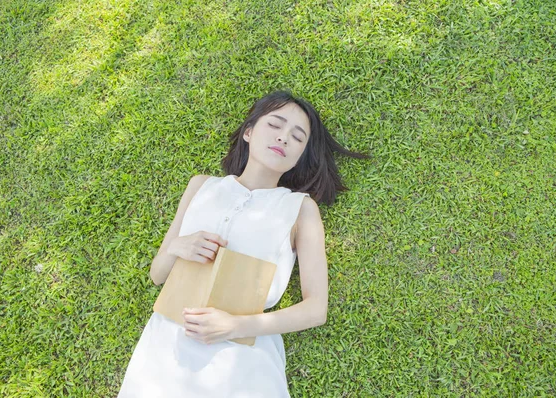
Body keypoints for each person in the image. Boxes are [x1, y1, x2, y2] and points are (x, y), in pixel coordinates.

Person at [117, 90, 370, 397]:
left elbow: (316, 309)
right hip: (167, 345)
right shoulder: (201, 186)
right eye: (275, 125)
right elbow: (157, 275)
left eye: (297, 137)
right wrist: (178, 247)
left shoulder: (300, 209)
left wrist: (235, 326)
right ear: (249, 131)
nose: (284, 138)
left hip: (241, 354)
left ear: (301, 155)